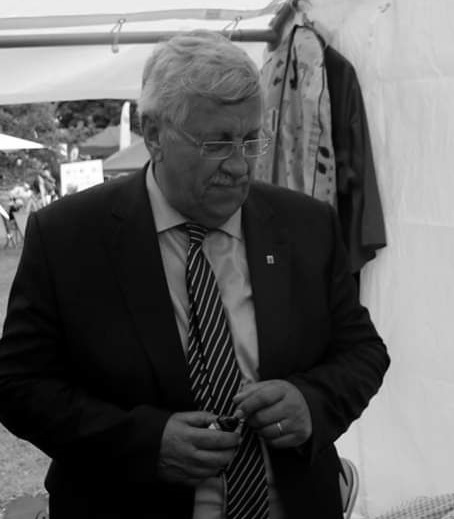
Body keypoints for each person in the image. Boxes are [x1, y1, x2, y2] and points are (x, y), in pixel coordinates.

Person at [0, 31, 390, 519]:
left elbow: (362, 351)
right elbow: (18, 384)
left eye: (251, 139)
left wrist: (311, 403)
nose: (240, 166)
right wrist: (145, 443)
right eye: (217, 143)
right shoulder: (68, 237)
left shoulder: (306, 226)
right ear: (154, 135)